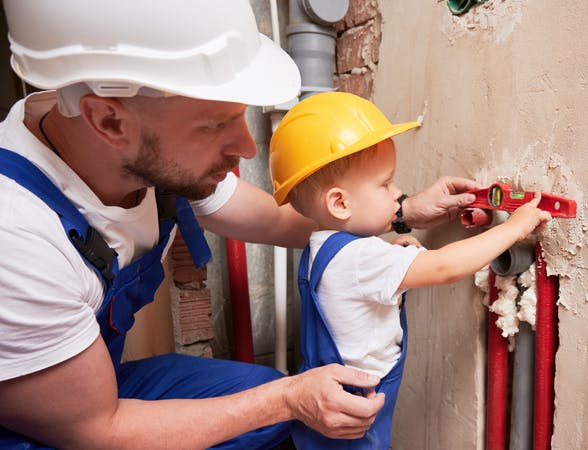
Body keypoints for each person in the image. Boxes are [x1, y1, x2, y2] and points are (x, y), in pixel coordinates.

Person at [0, 1, 482, 448]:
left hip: (92, 385)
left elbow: (278, 220)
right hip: (52, 423)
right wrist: (291, 398)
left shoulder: (130, 150)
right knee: (281, 402)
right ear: (109, 121)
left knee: (273, 402)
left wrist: (401, 211)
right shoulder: (17, 237)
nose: (247, 148)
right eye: (214, 125)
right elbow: (96, 428)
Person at [267, 92, 553, 449]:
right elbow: (446, 266)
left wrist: (390, 253)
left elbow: (356, 279)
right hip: (355, 415)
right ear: (340, 202)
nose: (398, 193)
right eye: (386, 184)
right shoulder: (364, 260)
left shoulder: (323, 246)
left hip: (331, 401)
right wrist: (514, 227)